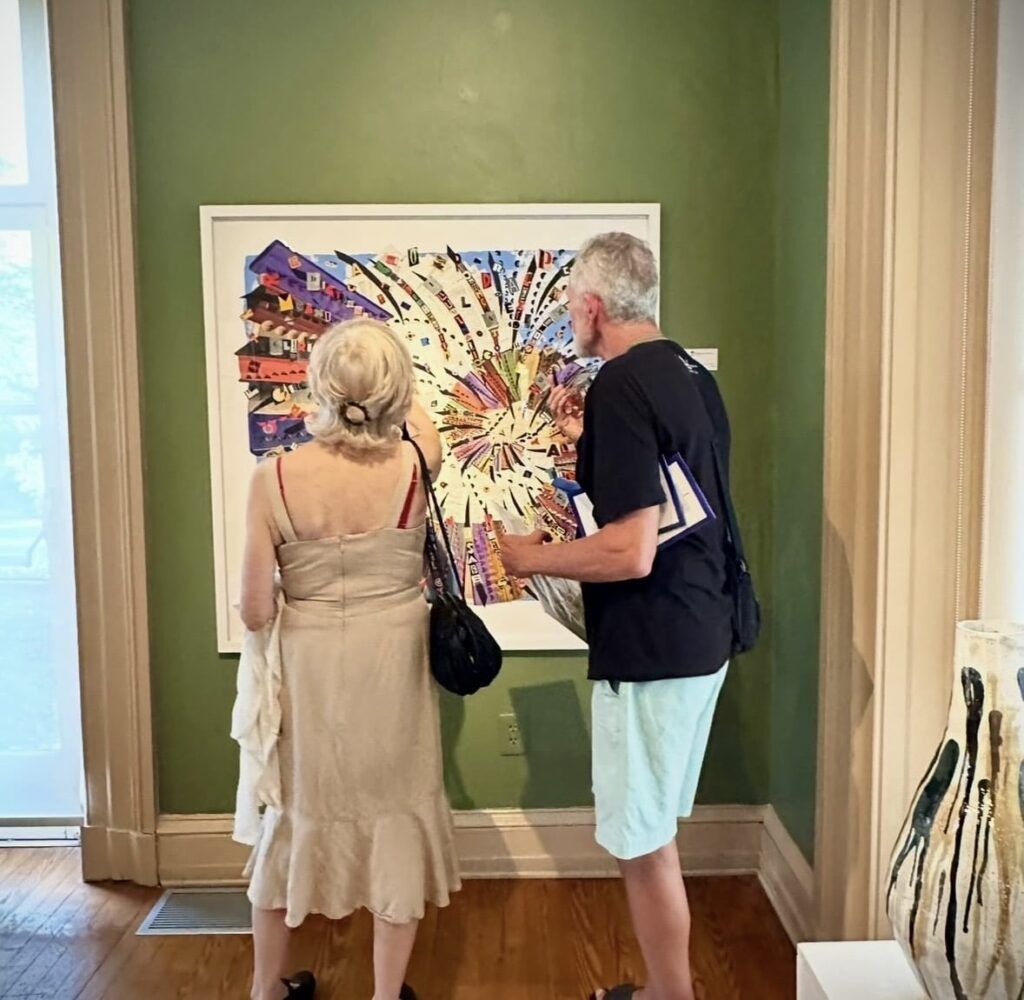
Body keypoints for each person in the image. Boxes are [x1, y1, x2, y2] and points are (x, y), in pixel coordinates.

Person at [501, 233, 735, 1000]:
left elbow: (631, 552)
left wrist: (531, 560)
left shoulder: (621, 386)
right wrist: (589, 444)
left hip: (652, 647)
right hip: (703, 631)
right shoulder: (688, 374)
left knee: (643, 845)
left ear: (593, 307)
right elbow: (677, 505)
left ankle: (673, 997)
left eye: (572, 304)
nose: (571, 316)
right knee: (655, 834)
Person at [237, 319, 461, 1000]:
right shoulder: (416, 468)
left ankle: (266, 990)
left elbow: (255, 609)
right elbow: (421, 425)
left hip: (308, 673)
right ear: (396, 391)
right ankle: (385, 995)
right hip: (392, 664)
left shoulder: (272, 479)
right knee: (395, 820)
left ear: (319, 388)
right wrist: (387, 398)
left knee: (291, 819)